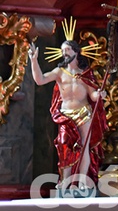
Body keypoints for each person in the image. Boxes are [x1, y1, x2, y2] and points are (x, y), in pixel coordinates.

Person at [28, 40, 108, 188]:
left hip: (84, 113)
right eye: (62, 51)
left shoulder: (85, 74)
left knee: (84, 147)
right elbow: (40, 80)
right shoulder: (59, 72)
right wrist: (34, 61)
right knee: (64, 145)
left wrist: (99, 94)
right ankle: (65, 180)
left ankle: (83, 181)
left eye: (67, 50)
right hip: (66, 114)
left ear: (76, 52)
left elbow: (93, 96)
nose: (64, 54)